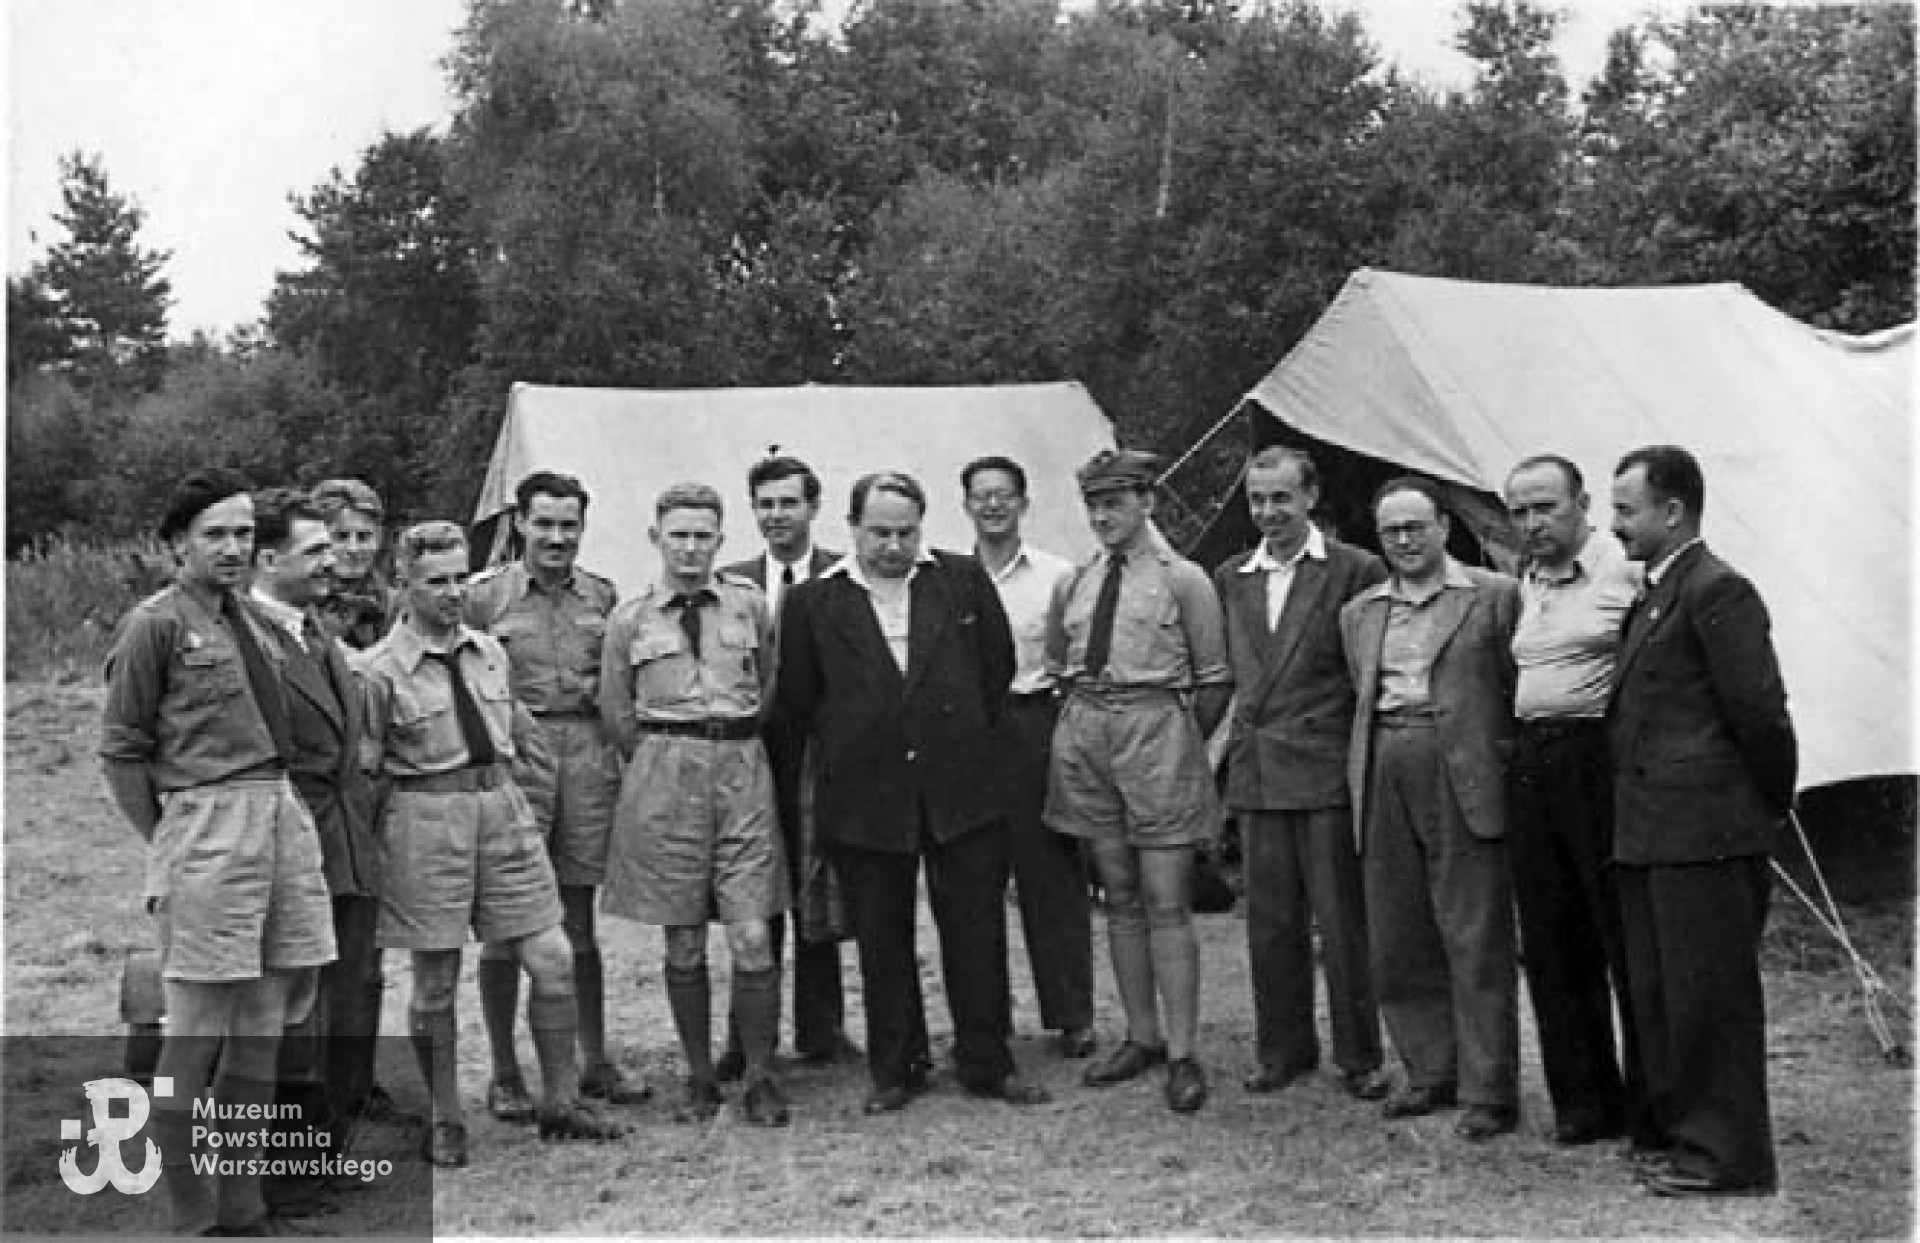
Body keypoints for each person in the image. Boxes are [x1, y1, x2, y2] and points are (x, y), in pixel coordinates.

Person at [100, 469, 336, 1235]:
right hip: (206, 824)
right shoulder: (155, 626)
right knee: (194, 1034)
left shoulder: (259, 622)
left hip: (278, 817)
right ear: (176, 544)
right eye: (216, 534)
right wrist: (174, 837)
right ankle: (191, 1214)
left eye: (243, 533)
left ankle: (245, 1206)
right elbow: (123, 750)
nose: (234, 548)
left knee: (263, 1025)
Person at [776, 470, 1050, 1115]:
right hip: (866, 795)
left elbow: (996, 667)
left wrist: (944, 734)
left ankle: (988, 1061)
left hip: (960, 789)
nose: (893, 546)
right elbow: (798, 699)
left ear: (922, 527)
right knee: (881, 934)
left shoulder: (958, 579)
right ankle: (897, 1067)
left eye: (905, 532)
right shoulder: (815, 601)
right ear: (852, 528)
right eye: (879, 533)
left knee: (976, 930)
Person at [355, 521, 623, 1166]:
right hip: (425, 816)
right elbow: (364, 771)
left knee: (554, 957)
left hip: (501, 810)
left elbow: (518, 732)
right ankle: (446, 1117)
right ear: (404, 586)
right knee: (436, 981)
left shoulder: (490, 651)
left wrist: (527, 796)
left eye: (458, 578)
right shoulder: (375, 672)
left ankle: (560, 1101)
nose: (451, 594)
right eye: (435, 582)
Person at [1607, 445, 1795, 1198]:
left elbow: (1760, 714)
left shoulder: (1718, 590)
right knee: (1665, 995)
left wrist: (1760, 808)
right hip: (1653, 832)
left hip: (1706, 835)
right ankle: (1687, 1138)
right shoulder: (1660, 591)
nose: (1612, 524)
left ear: (1673, 510)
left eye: (1625, 509)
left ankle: (1730, 1157)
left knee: (1709, 998)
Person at [599, 483, 793, 1127]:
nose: (689, 547)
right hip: (666, 773)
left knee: (751, 933)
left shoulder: (750, 607)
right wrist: (667, 759)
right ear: (656, 538)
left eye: (702, 535)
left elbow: (769, 686)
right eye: (677, 534)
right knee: (682, 940)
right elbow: (616, 713)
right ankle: (700, 1076)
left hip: (740, 770)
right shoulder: (631, 619)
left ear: (720, 540)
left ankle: (761, 1076)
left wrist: (728, 743)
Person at [1046, 449, 1231, 1114]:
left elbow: (1214, 679)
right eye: (1093, 504)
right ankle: (1141, 1034)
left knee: (1165, 898)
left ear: (1147, 500)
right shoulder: (1077, 581)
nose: (1102, 516)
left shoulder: (1186, 580)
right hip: (1090, 734)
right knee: (1117, 890)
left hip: (1157, 733)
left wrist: (1176, 743)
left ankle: (1183, 1051)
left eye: (1115, 502)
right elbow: (1057, 663)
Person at [1338, 476, 1521, 1142]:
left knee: (1474, 930)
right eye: (1391, 531)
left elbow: (1512, 688)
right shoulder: (1361, 611)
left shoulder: (1493, 597)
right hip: (1385, 761)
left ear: (1445, 525)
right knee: (1398, 928)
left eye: (1417, 526)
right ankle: (1429, 1069)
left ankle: (1488, 1086)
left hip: (1463, 769)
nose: (1405, 541)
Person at [464, 471, 648, 1121]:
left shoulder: (602, 594)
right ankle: (506, 1070)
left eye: (569, 524)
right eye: (544, 523)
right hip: (517, 755)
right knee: (506, 923)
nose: (557, 537)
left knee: (578, 919)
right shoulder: (483, 597)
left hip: (588, 754)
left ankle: (591, 1059)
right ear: (520, 524)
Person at [1213, 447, 1389, 1101]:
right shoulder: (1232, 574)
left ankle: (1359, 1053)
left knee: (1341, 921)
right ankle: (1281, 1048)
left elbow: (1366, 672)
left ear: (1310, 497)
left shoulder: (1354, 568)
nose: (1268, 512)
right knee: (1270, 919)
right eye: (1257, 500)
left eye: (1281, 498)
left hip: (1324, 767)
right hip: (1259, 773)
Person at [1502, 455, 1649, 1147]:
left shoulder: (1625, 568)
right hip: (1533, 762)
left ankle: (1650, 1101)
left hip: (1599, 760)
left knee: (1618, 932)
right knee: (1552, 938)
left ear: (1582, 503)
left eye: (1545, 508)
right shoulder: (1525, 579)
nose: (1532, 523)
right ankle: (1584, 1102)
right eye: (1520, 511)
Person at [247, 489, 382, 1209]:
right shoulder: (252, 641)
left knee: (340, 1002)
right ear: (269, 560)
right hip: (293, 841)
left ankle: (322, 1150)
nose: (334, 560)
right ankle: (281, 1172)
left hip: (347, 842)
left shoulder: (314, 631)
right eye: (316, 551)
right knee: (293, 1012)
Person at [714, 454, 862, 1080]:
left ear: (813, 507)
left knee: (820, 886)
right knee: (754, 894)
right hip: (754, 756)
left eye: (789, 503)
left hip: (826, 757)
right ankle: (749, 1038)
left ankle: (823, 1029)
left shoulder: (845, 575)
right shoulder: (731, 583)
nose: (777, 516)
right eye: (766, 505)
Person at [962, 455, 1095, 1060]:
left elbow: (1074, 657)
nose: (993, 506)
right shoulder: (947, 576)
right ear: (966, 505)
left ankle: (1072, 1016)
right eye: (981, 496)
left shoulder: (1057, 575)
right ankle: (986, 1025)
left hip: (1035, 721)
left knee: (1052, 876)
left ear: (1023, 503)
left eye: (1004, 496)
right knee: (973, 880)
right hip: (970, 735)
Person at [312, 478, 393, 651]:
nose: (353, 549)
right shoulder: (299, 607)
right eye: (341, 537)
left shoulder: (398, 609)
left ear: (378, 539)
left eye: (363, 537)